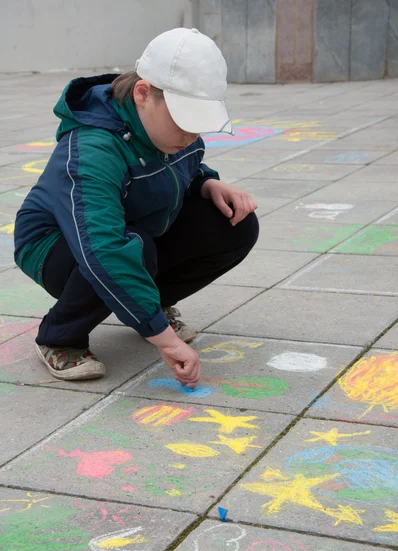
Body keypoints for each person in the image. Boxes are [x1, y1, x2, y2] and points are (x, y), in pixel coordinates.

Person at [14, 27, 259, 386]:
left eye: (199, 121)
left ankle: (148, 303)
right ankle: (58, 336)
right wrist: (164, 339)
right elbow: (103, 247)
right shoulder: (93, 147)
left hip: (133, 230)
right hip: (57, 247)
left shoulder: (173, 132)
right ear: (143, 93)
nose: (192, 134)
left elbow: (183, 169)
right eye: (184, 119)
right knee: (131, 249)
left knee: (234, 224)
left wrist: (208, 182)